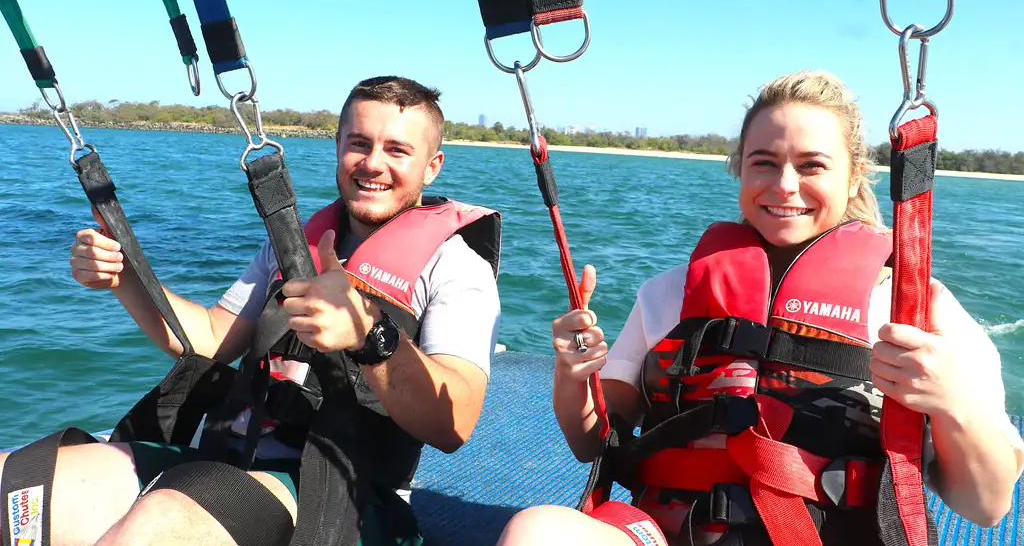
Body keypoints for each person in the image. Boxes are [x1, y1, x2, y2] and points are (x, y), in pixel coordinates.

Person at [497, 71, 1024, 546]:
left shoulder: (914, 306)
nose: (785, 186)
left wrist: (958, 404)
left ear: (854, 175)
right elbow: (591, 443)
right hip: (665, 532)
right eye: (763, 163)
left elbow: (986, 505)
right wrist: (573, 376)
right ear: (739, 169)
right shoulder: (667, 293)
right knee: (535, 531)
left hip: (827, 535)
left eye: (812, 165)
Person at [0, 76, 502, 546]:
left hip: (343, 493)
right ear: (338, 146)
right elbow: (212, 338)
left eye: (397, 149)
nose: (373, 163)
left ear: (432, 165)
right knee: (15, 482)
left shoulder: (456, 270)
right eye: (359, 143)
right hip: (225, 460)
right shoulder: (290, 244)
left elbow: (452, 424)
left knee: (162, 522)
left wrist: (368, 335)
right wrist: (125, 278)